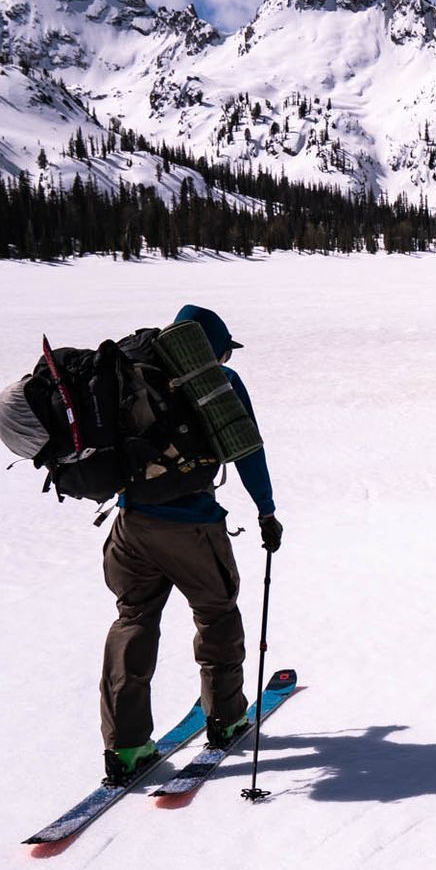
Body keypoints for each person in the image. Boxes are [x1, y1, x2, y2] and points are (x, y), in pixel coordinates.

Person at [99, 304, 281, 784]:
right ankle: (226, 719)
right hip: (191, 526)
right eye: (223, 351)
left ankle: (126, 745)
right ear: (210, 348)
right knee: (217, 613)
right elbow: (248, 451)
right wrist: (266, 511)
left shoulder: (130, 376)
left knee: (133, 619)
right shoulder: (218, 384)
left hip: (130, 524)